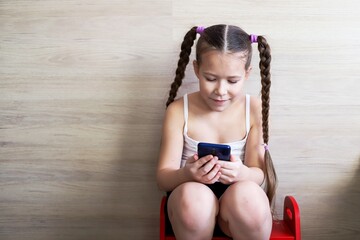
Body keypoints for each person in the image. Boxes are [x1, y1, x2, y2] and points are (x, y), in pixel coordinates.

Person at [156, 24, 277, 240]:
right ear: (196, 69)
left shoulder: (254, 108)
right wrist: (187, 174)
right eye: (210, 79)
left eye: (232, 81)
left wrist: (242, 173)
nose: (220, 91)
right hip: (190, 209)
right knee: (194, 200)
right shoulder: (178, 110)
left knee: (250, 199)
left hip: (237, 208)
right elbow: (163, 178)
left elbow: (258, 174)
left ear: (247, 74)